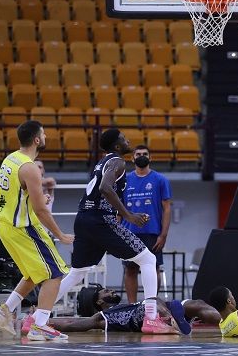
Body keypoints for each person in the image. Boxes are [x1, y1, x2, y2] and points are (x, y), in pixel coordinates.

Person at [52, 129, 173, 334]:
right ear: (117, 146)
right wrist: (128, 216)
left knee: (76, 273)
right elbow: (105, 188)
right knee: (149, 260)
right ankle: (151, 318)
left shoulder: (102, 162)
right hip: (100, 219)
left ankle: (37, 316)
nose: (128, 141)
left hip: (83, 218)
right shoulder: (117, 161)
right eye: (124, 139)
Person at [0, 120, 74, 340]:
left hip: (5, 227)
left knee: (33, 273)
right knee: (55, 274)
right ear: (37, 140)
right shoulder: (30, 168)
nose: (47, 136)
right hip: (24, 227)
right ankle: (39, 326)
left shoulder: (10, 159)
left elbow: (18, 195)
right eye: (44, 133)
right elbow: (41, 211)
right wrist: (60, 235)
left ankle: (4, 312)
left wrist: (38, 197)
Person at [29, 285, 221, 335]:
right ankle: (171, 321)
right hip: (146, 314)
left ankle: (228, 322)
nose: (111, 291)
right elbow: (73, 324)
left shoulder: (119, 308)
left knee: (198, 304)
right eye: (106, 292)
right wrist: (41, 322)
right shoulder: (102, 317)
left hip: (161, 309)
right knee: (154, 301)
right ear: (99, 301)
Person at [122, 145, 173, 303]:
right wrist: (117, 232)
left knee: (153, 268)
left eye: (145, 154)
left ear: (150, 158)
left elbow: (167, 209)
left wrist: (163, 235)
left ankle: (151, 304)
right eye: (138, 154)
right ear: (132, 158)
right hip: (129, 232)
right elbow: (118, 209)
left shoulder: (160, 180)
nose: (141, 156)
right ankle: (132, 306)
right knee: (130, 269)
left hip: (152, 233)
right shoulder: (125, 180)